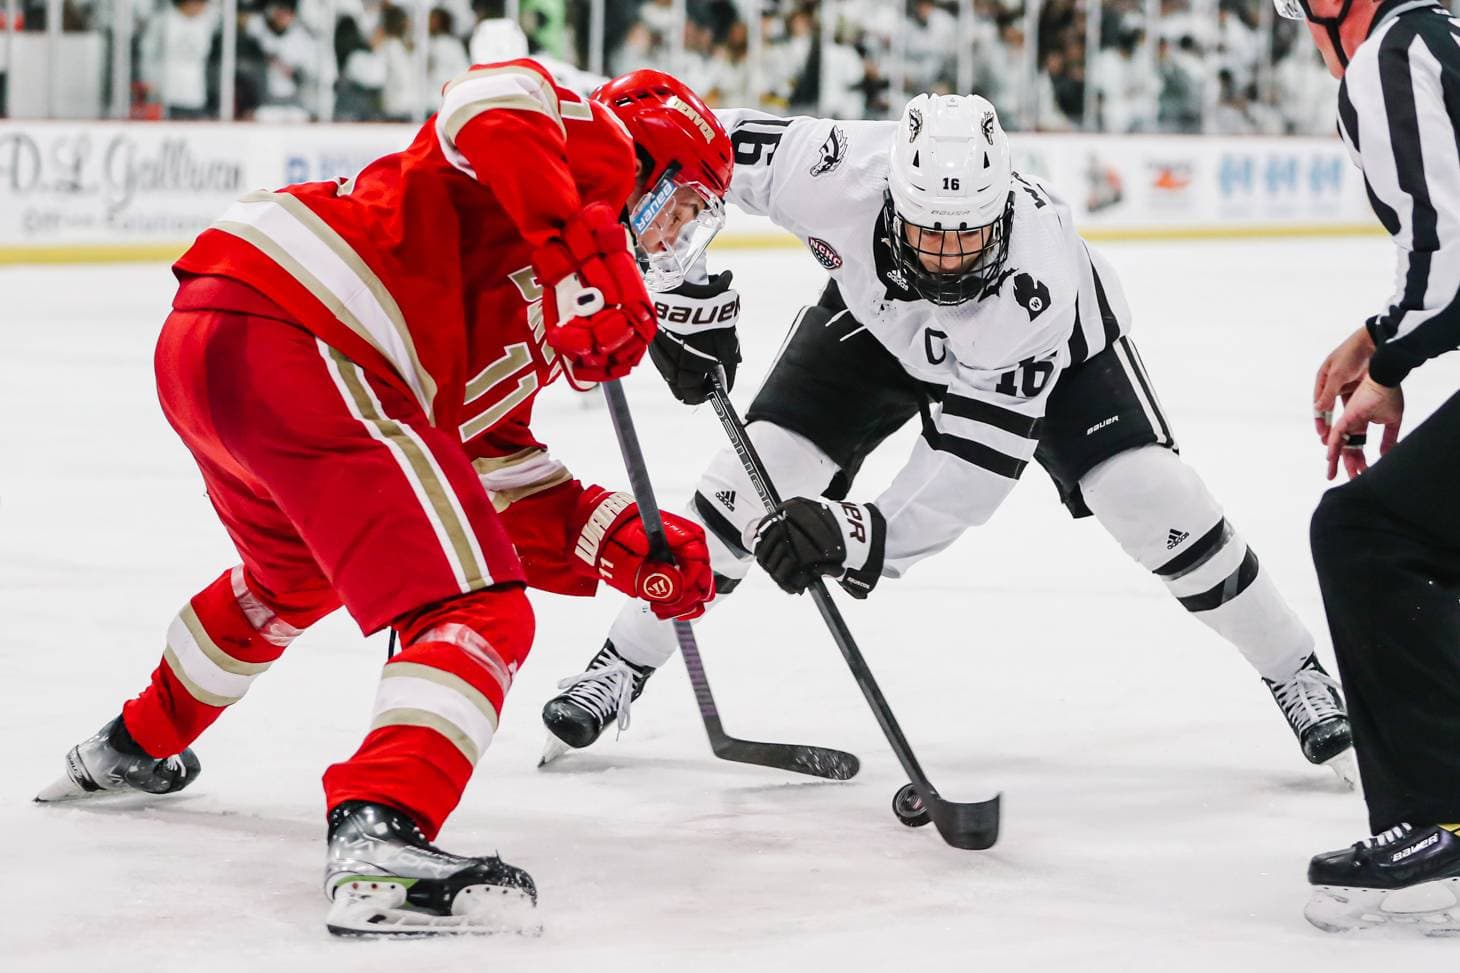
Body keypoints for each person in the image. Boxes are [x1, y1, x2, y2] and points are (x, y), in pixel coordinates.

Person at [34, 64, 732, 937]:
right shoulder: (589, 149)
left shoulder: (556, 307)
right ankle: (382, 835)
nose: (673, 239)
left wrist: (618, 539)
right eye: (681, 205)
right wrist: (572, 242)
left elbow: (489, 465)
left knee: (289, 581)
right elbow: (490, 97)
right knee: (476, 608)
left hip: (226, 336)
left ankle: (131, 744)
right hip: (314, 328)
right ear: (650, 165)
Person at [541, 93, 1357, 793]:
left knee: (1150, 499)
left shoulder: (1032, 287)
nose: (944, 260)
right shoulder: (830, 167)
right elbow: (661, 141)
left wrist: (857, 534)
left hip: (1056, 358)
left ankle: (1296, 669)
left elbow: (970, 468)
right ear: (892, 194)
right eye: (928, 233)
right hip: (870, 324)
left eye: (965, 238)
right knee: (745, 486)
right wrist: (673, 288)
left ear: (1001, 209)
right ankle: (622, 662)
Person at [1275, 0, 1460, 936]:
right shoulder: (1448, 33)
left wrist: (1388, 361)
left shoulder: (1392, 50)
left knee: (1368, 532)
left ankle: (1441, 826)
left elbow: (1451, 258)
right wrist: (1379, 339)